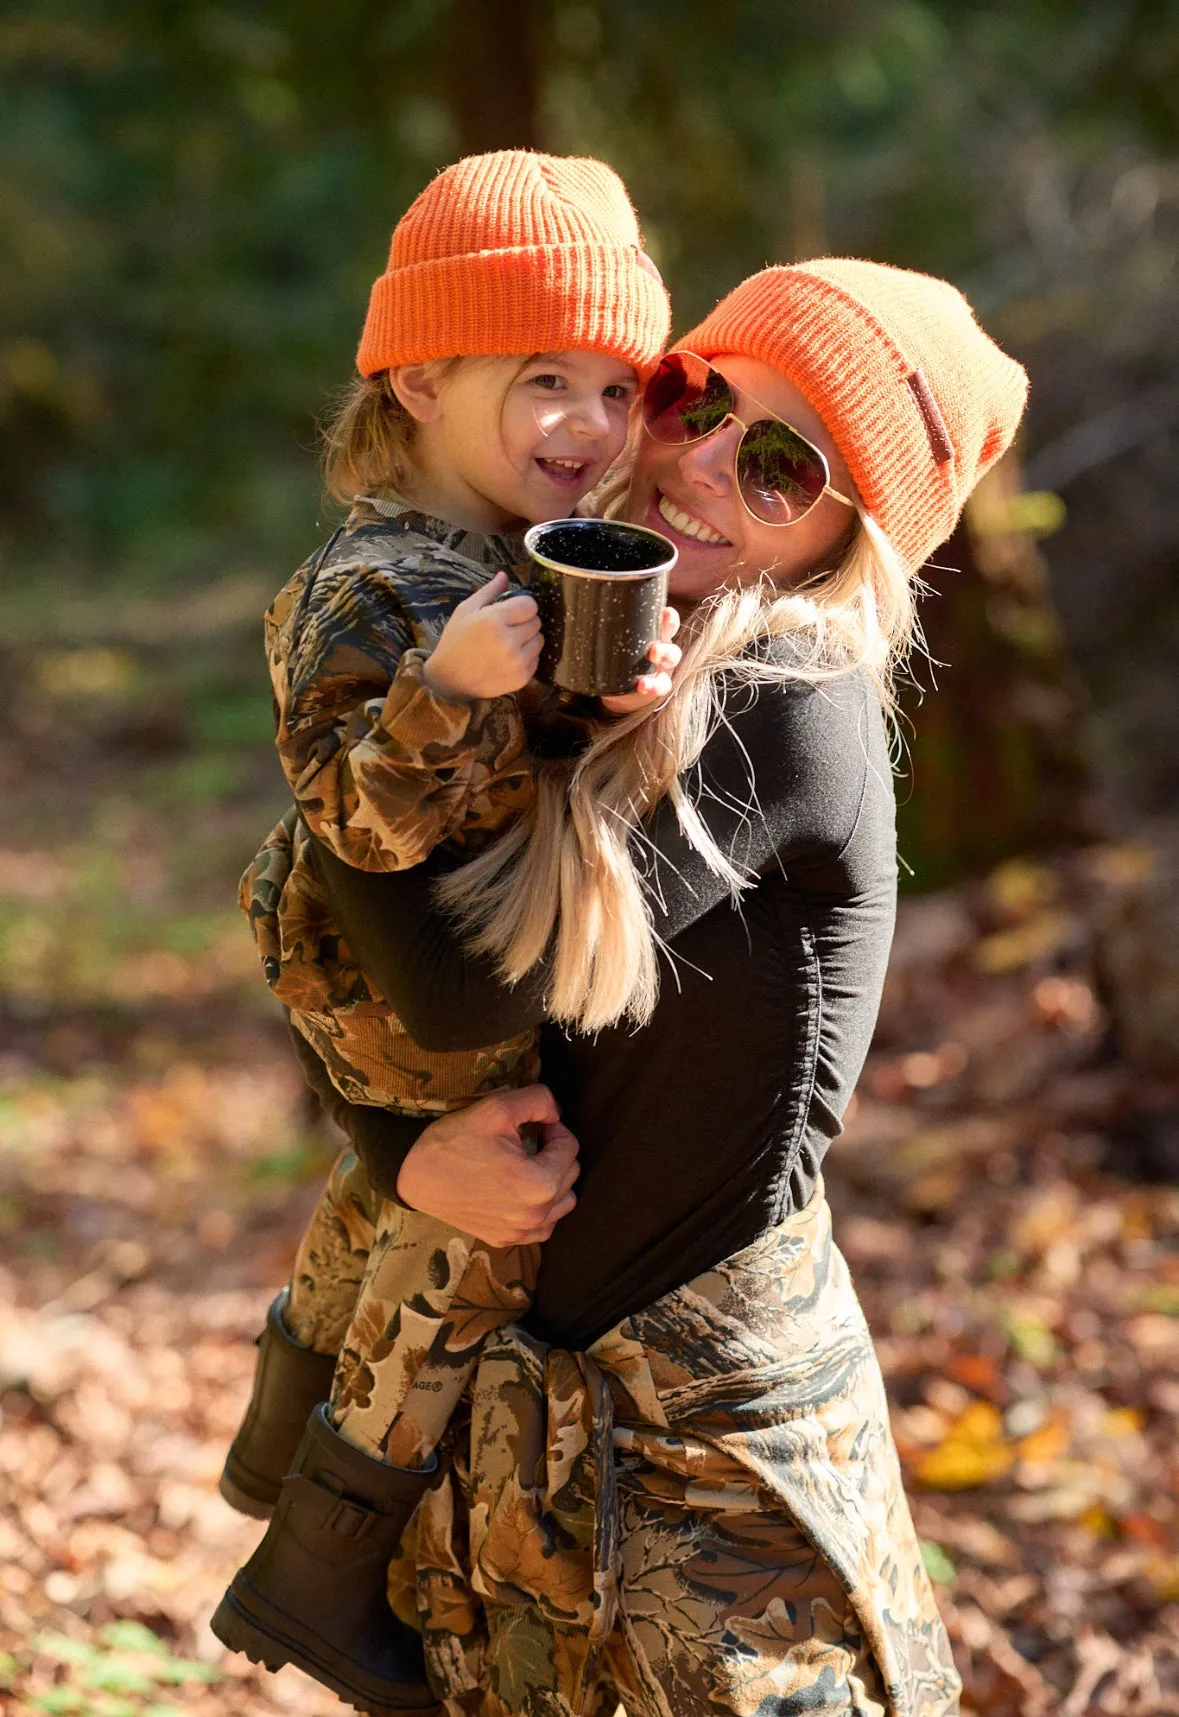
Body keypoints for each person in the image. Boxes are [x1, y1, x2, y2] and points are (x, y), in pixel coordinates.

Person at [224, 259, 1028, 1716]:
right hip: (547, 1408)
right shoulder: (612, 660)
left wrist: (356, 719)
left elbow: (450, 992)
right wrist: (406, 1156)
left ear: (855, 535)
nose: (703, 456)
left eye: (783, 462)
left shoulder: (782, 702)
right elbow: (418, 996)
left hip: (717, 1452)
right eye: (694, 393)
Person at [211, 150, 673, 1709]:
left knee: (382, 1210)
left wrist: (579, 703)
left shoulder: (474, 565)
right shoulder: (374, 588)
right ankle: (318, 1573)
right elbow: (368, 827)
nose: (592, 428)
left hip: (401, 1001)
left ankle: (279, 1441)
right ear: (417, 375)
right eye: (543, 378)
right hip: (388, 999)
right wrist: (459, 692)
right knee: (470, 1245)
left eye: (617, 387)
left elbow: (495, 789)